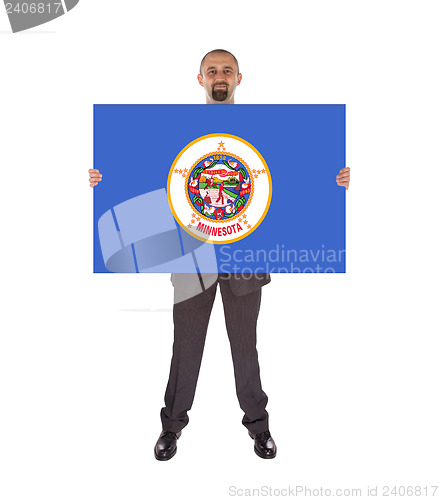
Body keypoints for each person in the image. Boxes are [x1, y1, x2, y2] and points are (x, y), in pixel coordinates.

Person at [89, 49, 351, 461]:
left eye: (226, 70)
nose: (219, 76)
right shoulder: (175, 132)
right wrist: (107, 179)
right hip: (191, 261)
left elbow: (294, 174)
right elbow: (143, 172)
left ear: (239, 78)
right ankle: (171, 427)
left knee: (245, 348)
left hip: (245, 263)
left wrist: (330, 180)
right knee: (186, 347)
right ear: (200, 80)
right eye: (212, 70)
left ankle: (258, 427)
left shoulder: (264, 132)